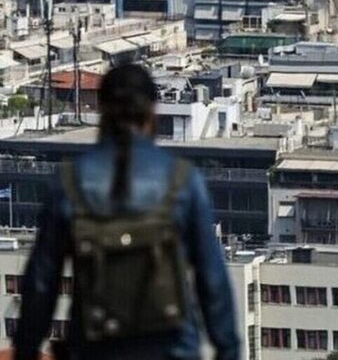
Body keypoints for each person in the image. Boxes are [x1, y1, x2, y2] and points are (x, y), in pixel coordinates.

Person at [13, 64, 239, 360]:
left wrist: (27, 348)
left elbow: (43, 281)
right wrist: (227, 349)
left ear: (102, 110)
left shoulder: (70, 183)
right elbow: (212, 279)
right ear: (152, 112)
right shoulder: (181, 180)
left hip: (95, 348)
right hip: (171, 347)